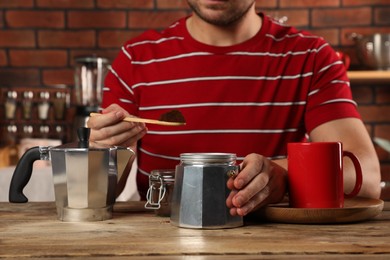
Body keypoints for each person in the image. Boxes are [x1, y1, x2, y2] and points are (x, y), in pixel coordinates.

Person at [87, 0, 381, 216]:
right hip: (159, 241)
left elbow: (366, 175)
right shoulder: (136, 58)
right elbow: (95, 198)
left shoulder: (311, 56)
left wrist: (281, 174)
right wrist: (102, 152)